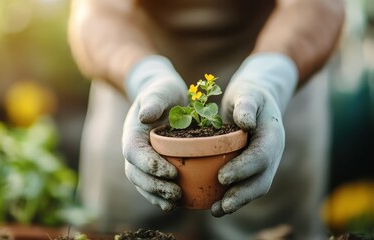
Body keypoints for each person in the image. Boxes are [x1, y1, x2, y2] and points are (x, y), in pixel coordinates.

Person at [68, 0, 344, 239]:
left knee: (273, 226)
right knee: (125, 227)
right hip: (135, 61)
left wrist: (269, 78)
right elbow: (98, 12)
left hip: (279, 54)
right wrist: (145, 77)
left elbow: (318, 6)